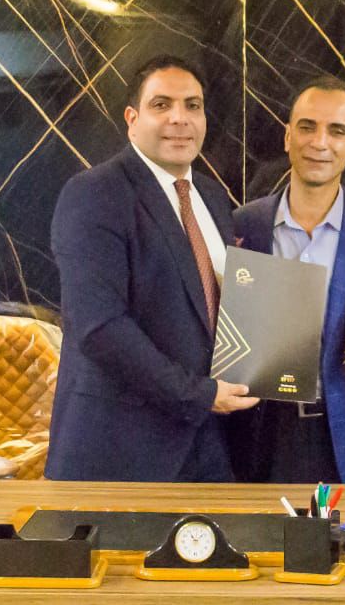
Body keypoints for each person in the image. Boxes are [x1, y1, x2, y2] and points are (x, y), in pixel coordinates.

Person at [46, 55, 257, 481]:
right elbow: (99, 327)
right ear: (132, 119)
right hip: (121, 452)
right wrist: (198, 395)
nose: (179, 118)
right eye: (161, 105)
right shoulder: (94, 194)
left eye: (192, 105)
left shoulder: (213, 198)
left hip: (208, 447)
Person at [230, 76, 345, 483]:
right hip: (261, 434)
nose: (320, 142)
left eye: (337, 131)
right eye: (307, 127)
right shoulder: (243, 226)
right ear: (287, 137)